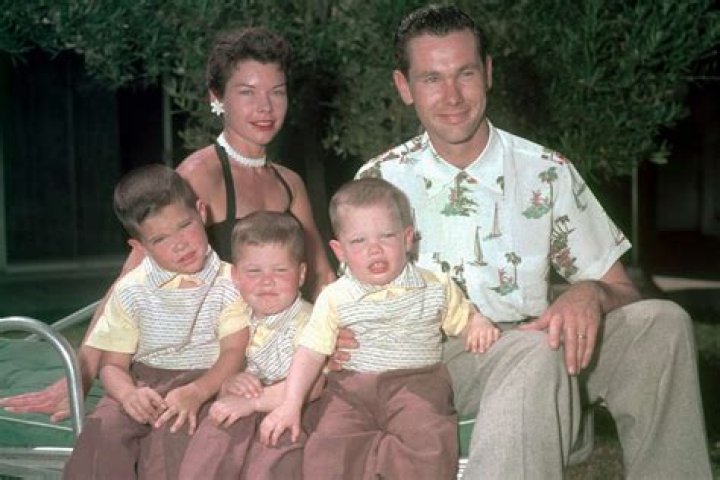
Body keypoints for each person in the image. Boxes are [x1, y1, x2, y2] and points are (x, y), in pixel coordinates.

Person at [340, 4, 712, 478]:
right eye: (432, 78)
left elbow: (622, 288)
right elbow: (349, 307)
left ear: (488, 73)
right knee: (534, 350)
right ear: (404, 87)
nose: (452, 96)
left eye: (465, 74)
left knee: (661, 323)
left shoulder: (546, 171)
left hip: (536, 342)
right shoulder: (380, 180)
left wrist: (590, 293)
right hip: (436, 360)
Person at [0, 26, 335, 422]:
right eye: (247, 92)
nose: (265, 107)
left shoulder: (289, 182)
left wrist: (335, 334)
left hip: (284, 348)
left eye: (276, 92)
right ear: (217, 97)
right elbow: (131, 279)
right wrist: (81, 373)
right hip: (221, 360)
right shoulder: (199, 174)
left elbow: (321, 274)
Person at [261, 177, 501, 480]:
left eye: (386, 236)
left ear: (407, 238)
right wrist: (290, 404)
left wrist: (477, 322)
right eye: (358, 241)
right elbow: (310, 352)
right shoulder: (335, 297)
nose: (374, 250)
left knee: (428, 443)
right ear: (339, 251)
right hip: (349, 390)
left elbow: (463, 320)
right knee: (328, 449)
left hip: (417, 384)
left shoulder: (434, 286)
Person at [63, 164, 249, 479]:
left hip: (206, 379)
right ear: (140, 247)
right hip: (142, 381)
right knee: (105, 430)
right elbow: (112, 366)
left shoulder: (231, 282)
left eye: (185, 225)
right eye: (160, 238)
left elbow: (234, 352)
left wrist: (198, 391)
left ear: (201, 212)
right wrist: (128, 394)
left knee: (177, 437)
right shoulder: (131, 290)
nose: (180, 244)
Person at [179, 211, 324, 480]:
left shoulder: (310, 322)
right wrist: (230, 384)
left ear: (301, 274)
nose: (267, 280)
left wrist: (255, 403)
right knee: (211, 441)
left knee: (272, 462)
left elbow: (315, 385)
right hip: (244, 405)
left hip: (292, 408)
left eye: (280, 270)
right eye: (254, 271)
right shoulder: (235, 315)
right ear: (236, 275)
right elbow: (227, 367)